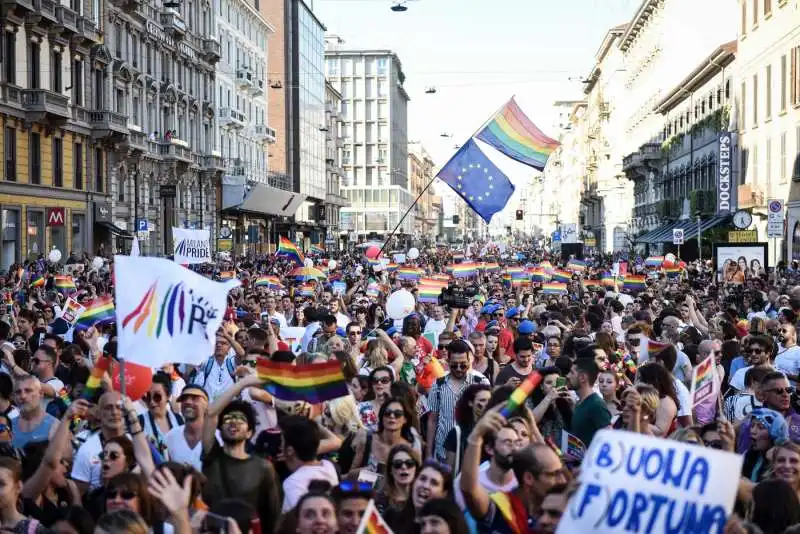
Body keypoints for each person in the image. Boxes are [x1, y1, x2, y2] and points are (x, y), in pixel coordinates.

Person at [460, 404, 565, 532]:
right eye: (553, 474)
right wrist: (476, 436)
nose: (562, 480)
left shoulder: (564, 507)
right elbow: (469, 491)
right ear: (529, 478)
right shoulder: (502, 508)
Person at [201, 376, 281, 534]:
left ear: (250, 432)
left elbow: (273, 517)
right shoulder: (212, 456)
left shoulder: (263, 468)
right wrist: (243, 383)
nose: (233, 422)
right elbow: (210, 413)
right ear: (220, 427)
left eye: (240, 419)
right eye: (228, 418)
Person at [426, 340, 489, 462]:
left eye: (463, 365)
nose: (459, 369)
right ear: (448, 361)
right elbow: (432, 420)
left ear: (469, 361)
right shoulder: (438, 384)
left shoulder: (480, 382)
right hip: (443, 453)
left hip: (471, 453)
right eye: (454, 365)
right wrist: (429, 452)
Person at [279, 415, 339, 513]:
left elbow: (300, 522)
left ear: (290, 450)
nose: (280, 445)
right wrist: (311, 425)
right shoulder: (328, 466)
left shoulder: (292, 483)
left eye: (281, 440)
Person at [164, 385, 209, 471]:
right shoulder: (170, 437)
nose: (188, 402)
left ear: (206, 405)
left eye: (194, 398)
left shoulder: (219, 438)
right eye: (184, 399)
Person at [567, 357, 610, 446]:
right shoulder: (579, 403)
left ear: (582, 378)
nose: (567, 376)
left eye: (572, 373)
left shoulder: (596, 405)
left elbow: (609, 441)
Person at [10, 376, 58, 449]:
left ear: (41, 394)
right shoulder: (8, 425)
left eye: (28, 391)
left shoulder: (55, 427)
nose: (23, 396)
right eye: (18, 392)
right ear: (14, 397)